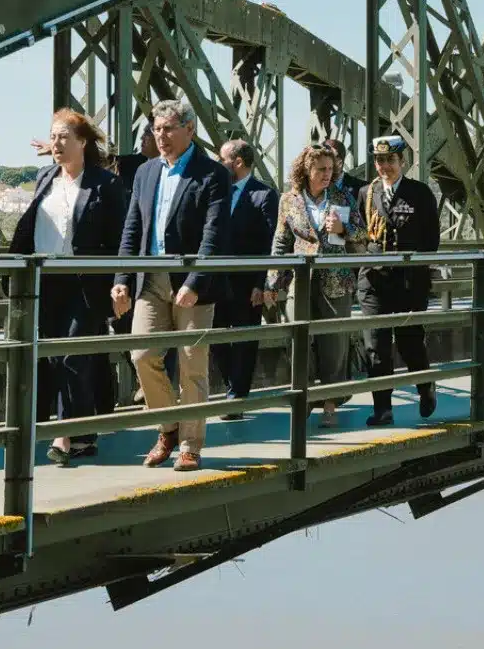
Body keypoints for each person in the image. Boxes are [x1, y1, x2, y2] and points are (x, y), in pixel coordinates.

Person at [113, 100, 230, 471]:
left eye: (168, 129)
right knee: (142, 355)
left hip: (191, 282)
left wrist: (195, 280)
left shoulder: (211, 174)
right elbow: (132, 228)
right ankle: (168, 428)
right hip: (150, 278)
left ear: (189, 130)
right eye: (156, 129)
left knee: (192, 364)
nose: (159, 136)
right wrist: (121, 279)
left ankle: (190, 445)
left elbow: (215, 233)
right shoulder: (146, 172)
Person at [9, 110, 127, 466]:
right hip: (45, 281)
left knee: (73, 356)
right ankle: (84, 434)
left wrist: (121, 283)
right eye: (53, 137)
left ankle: (64, 435)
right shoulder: (45, 176)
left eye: (64, 137)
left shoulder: (104, 184)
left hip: (85, 282)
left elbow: (122, 238)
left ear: (83, 143)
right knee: (50, 356)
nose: (57, 144)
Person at [267, 143, 366, 429]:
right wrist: (272, 281)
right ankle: (306, 397)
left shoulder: (343, 196)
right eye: (321, 169)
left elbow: (362, 233)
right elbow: (281, 241)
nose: (327, 174)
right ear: (305, 169)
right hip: (301, 280)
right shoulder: (289, 200)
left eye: (330, 169)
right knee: (297, 341)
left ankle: (331, 404)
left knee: (333, 346)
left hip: (336, 280)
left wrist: (343, 229)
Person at [357, 135, 441, 425]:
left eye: (390, 160)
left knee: (410, 342)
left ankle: (425, 387)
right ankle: (383, 407)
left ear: (402, 161)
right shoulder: (366, 192)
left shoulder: (420, 193)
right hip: (374, 281)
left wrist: (420, 268)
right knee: (375, 345)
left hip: (409, 281)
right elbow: (361, 234)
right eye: (379, 161)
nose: (384, 166)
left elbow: (432, 238)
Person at [213, 138, 277, 419]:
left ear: (237, 162)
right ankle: (231, 387)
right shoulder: (216, 191)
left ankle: (237, 396)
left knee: (244, 339)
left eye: (221, 158)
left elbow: (269, 243)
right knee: (215, 336)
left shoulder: (264, 195)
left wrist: (260, 283)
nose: (217, 163)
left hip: (246, 282)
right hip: (217, 280)